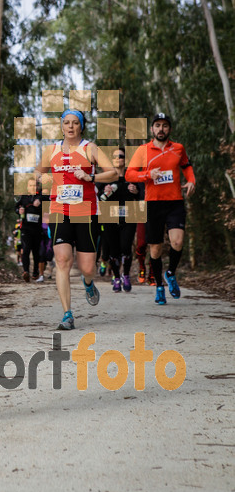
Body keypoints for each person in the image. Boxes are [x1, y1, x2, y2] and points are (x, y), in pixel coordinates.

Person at [39, 110, 117, 330]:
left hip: (86, 212)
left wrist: (90, 177)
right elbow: (38, 174)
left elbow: (113, 174)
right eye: (66, 123)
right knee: (62, 260)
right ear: (62, 126)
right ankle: (67, 314)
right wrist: (44, 178)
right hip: (59, 210)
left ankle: (89, 283)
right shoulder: (51, 150)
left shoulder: (89, 148)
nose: (70, 126)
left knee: (87, 267)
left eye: (75, 123)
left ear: (81, 126)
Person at [125, 113, 195, 305]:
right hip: (153, 203)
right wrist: (148, 174)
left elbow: (186, 166)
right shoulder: (143, 150)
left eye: (165, 125)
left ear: (169, 129)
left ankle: (170, 273)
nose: (161, 129)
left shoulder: (178, 148)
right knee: (155, 250)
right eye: (157, 125)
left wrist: (191, 181)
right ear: (152, 129)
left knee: (178, 242)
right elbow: (129, 174)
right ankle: (159, 287)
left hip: (175, 202)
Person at [98, 148, 142, 293]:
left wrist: (136, 192)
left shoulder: (132, 176)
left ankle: (126, 275)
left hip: (129, 216)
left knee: (125, 246)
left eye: (121, 156)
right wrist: (105, 193)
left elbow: (142, 194)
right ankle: (117, 277)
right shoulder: (105, 177)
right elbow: (97, 197)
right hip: (109, 217)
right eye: (115, 156)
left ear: (125, 159)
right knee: (114, 250)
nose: (118, 159)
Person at [15, 177, 44, 282]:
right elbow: (16, 208)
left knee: (36, 252)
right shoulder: (23, 197)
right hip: (25, 228)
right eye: (30, 185)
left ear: (37, 186)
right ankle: (25, 271)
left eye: (34, 185)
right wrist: (19, 210)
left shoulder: (40, 196)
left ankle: (35, 272)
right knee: (26, 249)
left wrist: (40, 202)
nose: (33, 187)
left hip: (38, 229)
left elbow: (48, 203)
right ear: (27, 187)